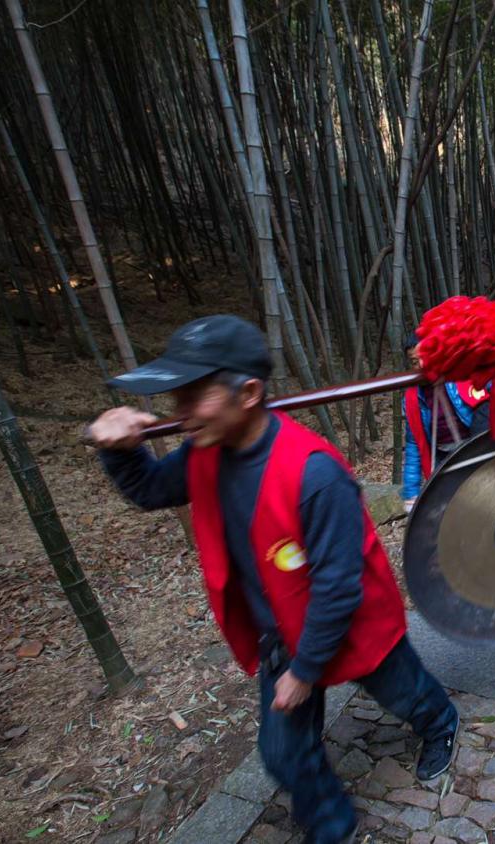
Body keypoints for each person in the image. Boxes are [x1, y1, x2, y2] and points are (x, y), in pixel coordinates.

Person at [86, 315, 459, 844]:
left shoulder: (313, 473)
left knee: (406, 694)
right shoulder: (205, 449)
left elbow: (338, 586)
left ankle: (441, 723)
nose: (180, 415)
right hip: (280, 629)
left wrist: (306, 671)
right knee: (282, 753)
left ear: (250, 392)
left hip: (352, 620)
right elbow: (150, 490)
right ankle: (332, 825)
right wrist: (116, 446)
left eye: (195, 396)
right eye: (177, 400)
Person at [402, 332, 489, 512]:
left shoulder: (460, 375)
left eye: (426, 357)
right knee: (457, 509)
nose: (422, 365)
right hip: (443, 457)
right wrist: (411, 492)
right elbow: (414, 444)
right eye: (414, 361)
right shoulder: (413, 397)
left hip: (475, 447)